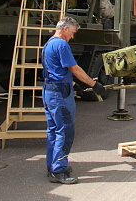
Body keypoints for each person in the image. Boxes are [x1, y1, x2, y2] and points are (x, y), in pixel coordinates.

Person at [42, 16, 105, 184]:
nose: (72, 37)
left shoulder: (49, 43)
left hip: (50, 91)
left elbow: (57, 69)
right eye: (72, 33)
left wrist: (72, 82)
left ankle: (52, 166)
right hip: (60, 94)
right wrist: (94, 84)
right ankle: (58, 170)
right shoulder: (62, 44)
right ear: (65, 29)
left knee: (54, 131)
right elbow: (75, 69)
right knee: (65, 131)